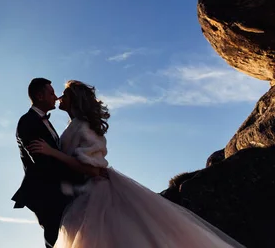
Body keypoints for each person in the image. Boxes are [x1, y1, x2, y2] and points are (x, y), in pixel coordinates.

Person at [28, 80, 246, 248]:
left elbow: (92, 168)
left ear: (74, 99)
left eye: (64, 94)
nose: (58, 98)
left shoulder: (83, 127)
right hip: (82, 192)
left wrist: (52, 153)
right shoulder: (74, 125)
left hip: (94, 196)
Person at [11, 78, 101, 248]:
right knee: (54, 239)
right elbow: (44, 164)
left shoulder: (47, 123)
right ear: (39, 96)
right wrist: (84, 173)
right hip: (47, 193)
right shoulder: (28, 122)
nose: (56, 96)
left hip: (60, 192)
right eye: (51, 93)